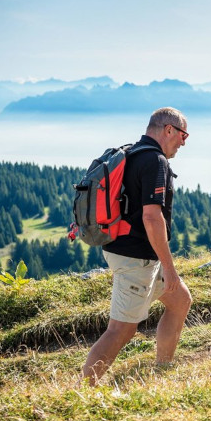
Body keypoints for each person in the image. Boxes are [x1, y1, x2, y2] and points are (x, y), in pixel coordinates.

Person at [81, 107, 193, 385]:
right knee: (121, 329)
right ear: (169, 130)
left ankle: (163, 369)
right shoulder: (155, 161)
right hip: (135, 258)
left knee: (180, 300)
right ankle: (83, 388)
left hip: (125, 248)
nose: (183, 142)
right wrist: (170, 267)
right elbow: (152, 217)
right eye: (183, 135)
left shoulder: (132, 152)